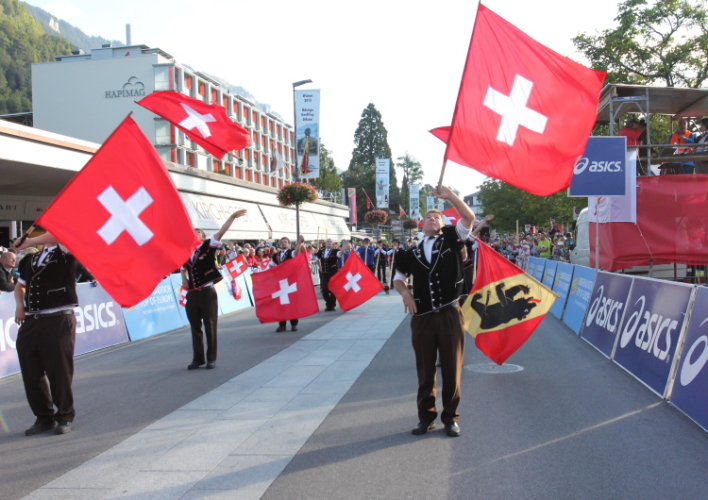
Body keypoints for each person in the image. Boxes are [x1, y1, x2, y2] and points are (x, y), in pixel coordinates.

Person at [393, 186, 475, 438]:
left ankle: (450, 418)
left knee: (452, 368)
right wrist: (405, 294)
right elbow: (398, 279)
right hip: (422, 317)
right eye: (429, 217)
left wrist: (450, 196)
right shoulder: (409, 252)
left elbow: (469, 217)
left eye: (437, 217)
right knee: (425, 369)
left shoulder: (452, 238)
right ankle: (426, 417)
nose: (432, 218)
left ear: (443, 224)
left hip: (449, 313)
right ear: (421, 224)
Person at [12, 233, 80, 435]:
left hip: (58, 318)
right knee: (31, 371)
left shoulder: (65, 251)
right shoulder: (30, 259)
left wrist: (29, 241)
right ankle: (43, 417)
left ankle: (65, 415)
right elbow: (19, 286)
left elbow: (61, 234)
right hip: (32, 320)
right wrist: (19, 306)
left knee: (59, 370)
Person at [181, 210, 247, 370]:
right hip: (192, 293)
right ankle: (198, 358)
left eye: (198, 232)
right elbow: (183, 268)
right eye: (193, 231)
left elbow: (221, 232)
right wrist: (184, 279)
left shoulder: (207, 246)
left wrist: (231, 217)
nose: (195, 233)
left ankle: (211, 358)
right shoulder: (186, 251)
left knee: (210, 325)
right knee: (195, 326)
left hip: (207, 292)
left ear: (203, 237)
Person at [271, 235, 304, 332]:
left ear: (289, 244)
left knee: (292, 303)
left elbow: (296, 252)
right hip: (280, 282)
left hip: (290, 281)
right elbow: (271, 266)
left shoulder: (291, 252)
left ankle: (294, 324)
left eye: (285, 242)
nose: (283, 244)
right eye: (281, 242)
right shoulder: (275, 255)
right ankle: (282, 325)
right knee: (281, 304)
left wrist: (299, 243)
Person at [316, 238, 339, 311]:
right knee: (324, 289)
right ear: (325, 244)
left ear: (332, 244)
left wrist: (344, 246)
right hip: (325, 273)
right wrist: (320, 266)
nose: (329, 242)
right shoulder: (321, 251)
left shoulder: (335, 251)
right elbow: (316, 258)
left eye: (330, 241)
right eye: (328, 241)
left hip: (333, 272)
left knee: (332, 289)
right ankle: (328, 303)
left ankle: (332, 305)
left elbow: (340, 254)